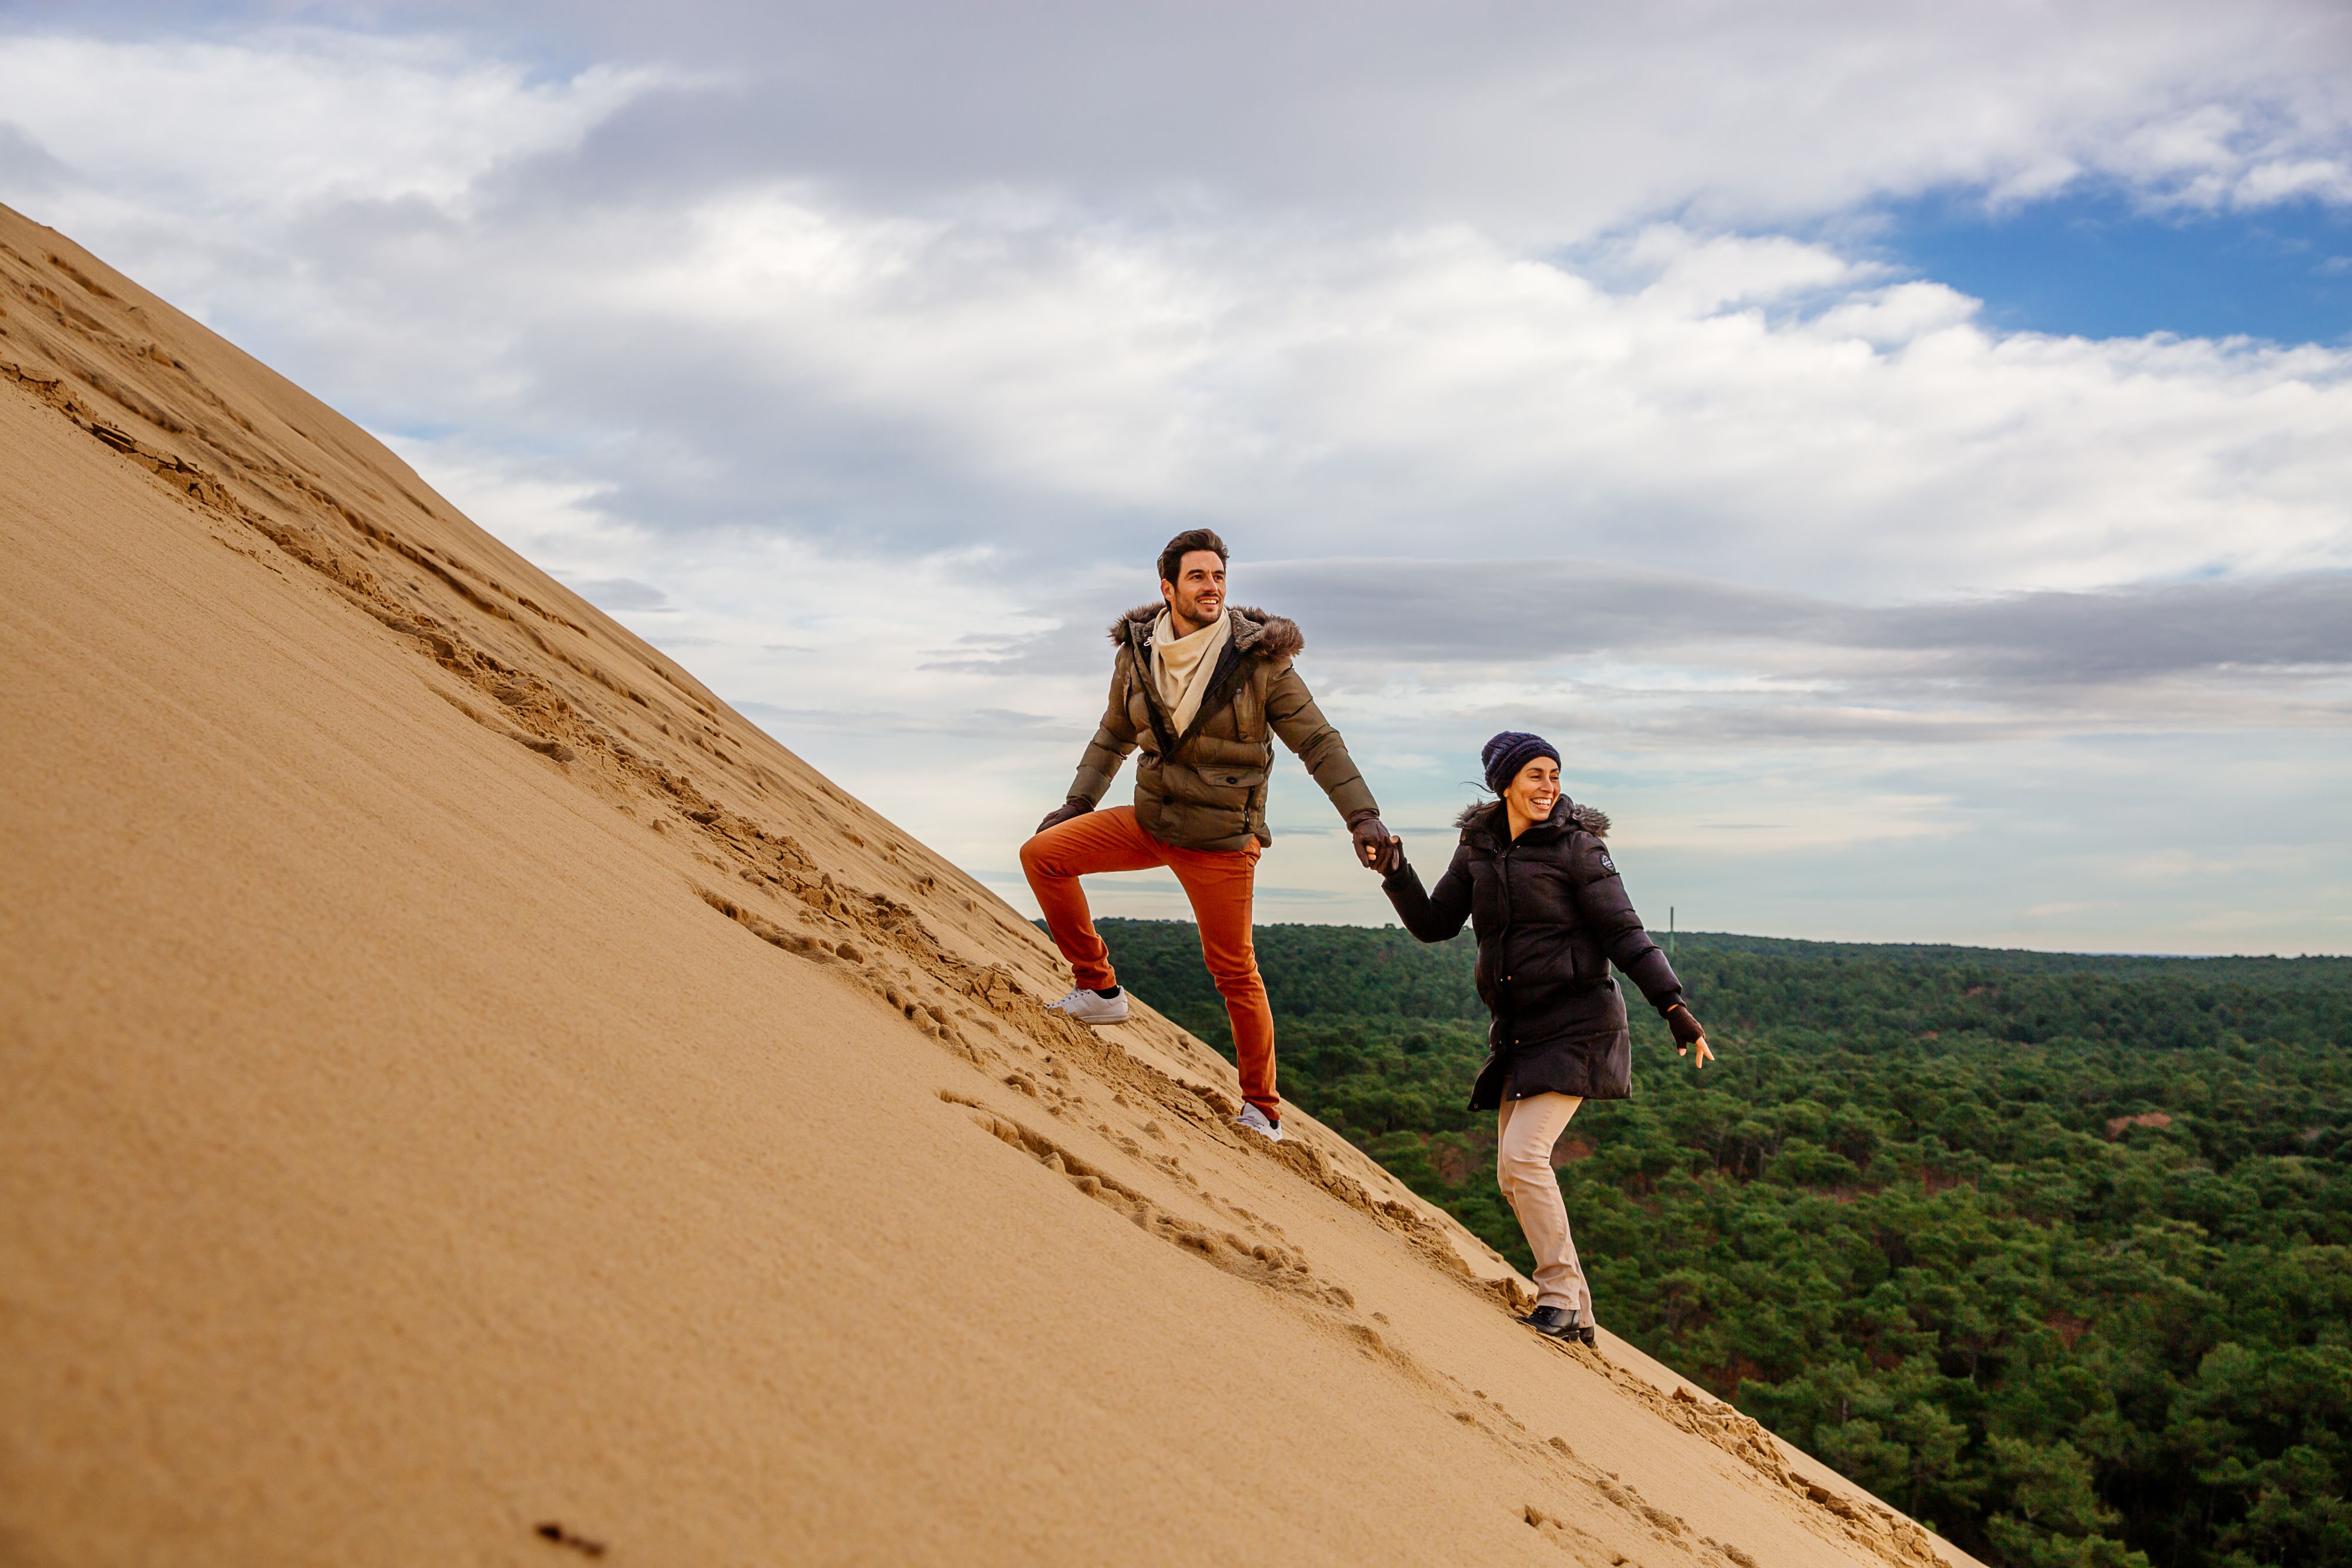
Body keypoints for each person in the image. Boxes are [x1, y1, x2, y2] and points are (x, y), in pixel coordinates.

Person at [1020, 529, 1397, 1142]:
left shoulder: (1260, 661)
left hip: (1221, 841)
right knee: (1043, 856)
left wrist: (1362, 816)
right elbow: (1113, 734)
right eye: (1198, 577)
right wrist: (1078, 802)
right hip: (1150, 821)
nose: (1212, 587)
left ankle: (1263, 1111)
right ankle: (1097, 988)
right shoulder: (1137, 654)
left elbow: (1319, 742)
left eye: (1219, 576)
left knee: (1233, 972)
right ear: (1167, 588)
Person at [1375, 731, 1712, 1343]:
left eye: (1554, 774)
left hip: (1580, 1025)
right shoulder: (1478, 846)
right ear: (1504, 782)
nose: (1548, 785)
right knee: (1511, 1173)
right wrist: (1396, 871)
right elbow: (1434, 924)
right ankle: (1578, 1314)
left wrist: (1673, 1006)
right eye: (1535, 774)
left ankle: (1557, 1297)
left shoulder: (1578, 849)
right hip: (1519, 1032)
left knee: (1524, 1159)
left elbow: (1625, 934)